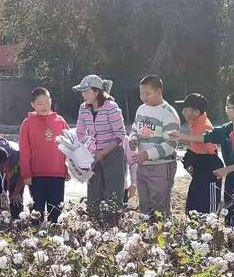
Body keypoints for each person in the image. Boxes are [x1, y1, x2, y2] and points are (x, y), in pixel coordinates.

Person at [171, 91, 234, 227]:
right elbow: (208, 136)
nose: (226, 110)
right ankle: (232, 247)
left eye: (228, 107)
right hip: (232, 177)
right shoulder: (230, 127)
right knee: (230, 216)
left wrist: (227, 169)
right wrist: (181, 136)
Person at [74, 74, 126, 216]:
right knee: (94, 193)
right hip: (93, 155)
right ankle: (94, 223)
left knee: (113, 193)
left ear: (96, 92)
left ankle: (113, 223)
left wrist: (103, 152)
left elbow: (120, 135)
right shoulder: (83, 108)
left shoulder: (111, 107)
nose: (83, 95)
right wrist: (76, 150)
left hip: (113, 153)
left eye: (86, 91)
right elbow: (80, 133)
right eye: (82, 92)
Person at [129, 75, 180, 217]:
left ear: (158, 92)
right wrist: (133, 139)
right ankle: (145, 236)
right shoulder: (141, 109)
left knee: (159, 209)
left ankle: (161, 236)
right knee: (144, 205)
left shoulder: (168, 113)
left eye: (147, 94)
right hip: (142, 165)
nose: (144, 97)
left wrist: (147, 154)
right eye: (141, 93)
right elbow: (135, 128)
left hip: (161, 166)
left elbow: (170, 144)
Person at [19, 87, 69, 223]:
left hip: (57, 174)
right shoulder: (27, 124)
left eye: (47, 102)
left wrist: (68, 168)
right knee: (37, 212)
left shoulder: (60, 122)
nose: (44, 106)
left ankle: (55, 240)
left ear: (51, 101)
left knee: (56, 212)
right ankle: (36, 240)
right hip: (37, 175)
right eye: (40, 103)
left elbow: (69, 147)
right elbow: (24, 150)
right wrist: (26, 173)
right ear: (33, 105)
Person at [177, 94, 223, 214]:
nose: (183, 112)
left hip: (209, 169)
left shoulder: (204, 126)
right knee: (194, 203)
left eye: (185, 109)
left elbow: (210, 150)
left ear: (196, 112)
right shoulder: (196, 123)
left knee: (208, 207)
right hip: (200, 170)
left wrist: (196, 157)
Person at [122, 137, 137, 204]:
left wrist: (134, 183)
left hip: (122, 188)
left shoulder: (125, 140)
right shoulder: (93, 139)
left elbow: (134, 162)